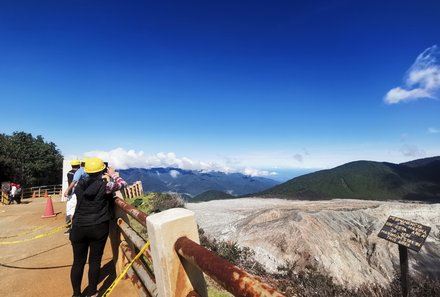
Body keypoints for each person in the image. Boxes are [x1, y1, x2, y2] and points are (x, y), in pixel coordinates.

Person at [69, 157, 127, 297]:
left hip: (78, 226)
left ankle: (76, 294)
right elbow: (123, 183)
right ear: (102, 170)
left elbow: (89, 188)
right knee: (95, 261)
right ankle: (92, 291)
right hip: (98, 227)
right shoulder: (105, 186)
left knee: (78, 262)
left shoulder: (79, 185)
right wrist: (112, 174)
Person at [65, 160, 81, 234]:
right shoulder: (80, 173)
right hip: (76, 193)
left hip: (71, 194)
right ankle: (73, 227)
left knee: (71, 211)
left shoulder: (69, 173)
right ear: (79, 165)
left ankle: (72, 228)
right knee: (75, 210)